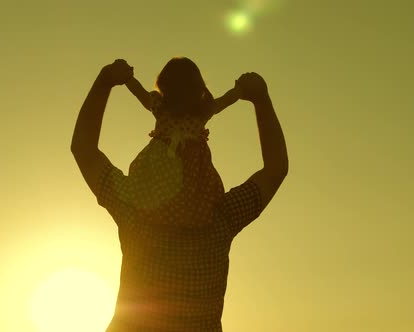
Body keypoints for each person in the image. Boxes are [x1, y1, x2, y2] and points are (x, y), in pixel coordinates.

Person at [71, 58, 288, 331]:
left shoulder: (132, 208)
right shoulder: (221, 218)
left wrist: (105, 81)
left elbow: (84, 149)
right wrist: (261, 99)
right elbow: (276, 168)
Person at [117, 57, 241, 226]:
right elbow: (225, 100)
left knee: (154, 193)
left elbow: (139, 92)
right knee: (193, 196)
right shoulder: (202, 111)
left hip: (160, 165)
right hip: (194, 169)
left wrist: (127, 77)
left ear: (164, 84)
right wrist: (240, 90)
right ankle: (189, 223)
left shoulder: (160, 106)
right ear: (198, 87)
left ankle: (157, 219)